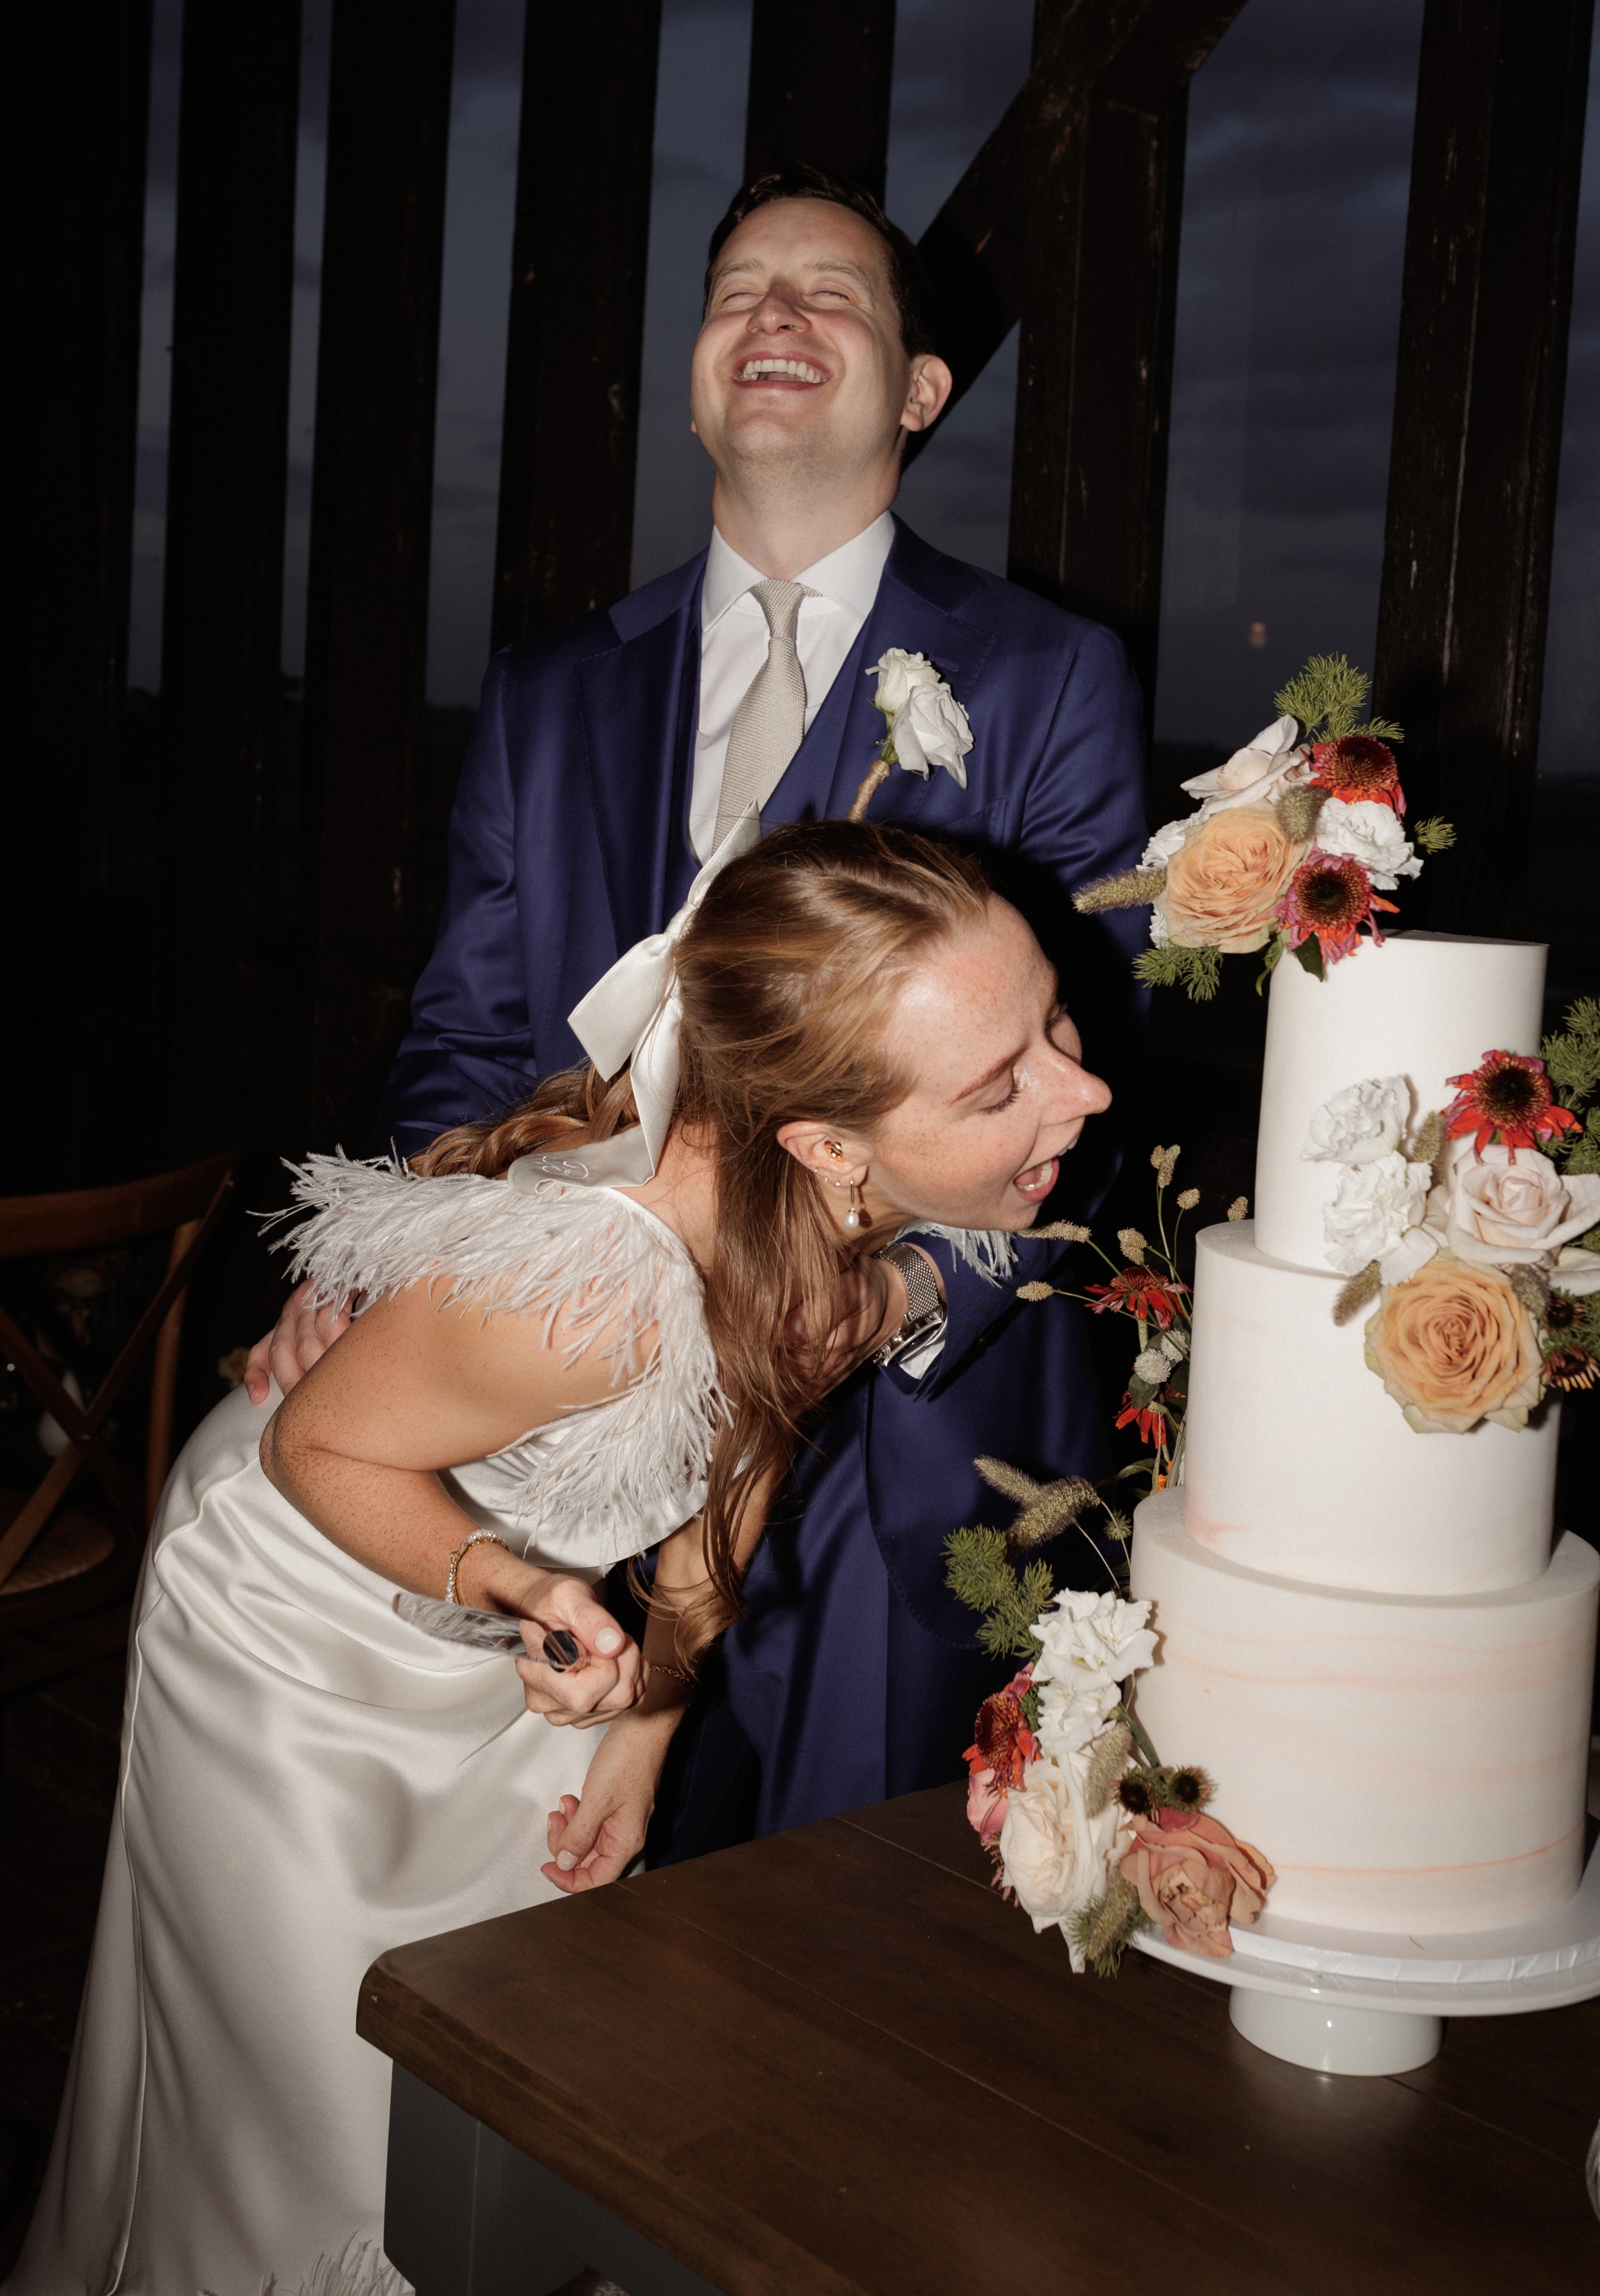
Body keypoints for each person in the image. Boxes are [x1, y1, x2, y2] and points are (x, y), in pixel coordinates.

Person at [7, 821, 1111, 2296]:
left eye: (1054, 1022)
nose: (1085, 1090)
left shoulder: (824, 1222)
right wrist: (519, 1586)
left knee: (488, 2068)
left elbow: (744, 1451)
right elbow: (314, 1454)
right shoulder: (601, 1292)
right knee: (334, 2101)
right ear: (826, 1142)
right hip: (296, 1619)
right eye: (1004, 1083)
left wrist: (648, 1722)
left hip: (516, 1641)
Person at [248, 164, 1149, 1857]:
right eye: (740, 290)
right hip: (555, 1422)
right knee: (532, 1903)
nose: (776, 317)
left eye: (831, 294)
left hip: (903, 1445)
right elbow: (465, 1033)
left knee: (832, 1966)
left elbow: (1088, 1076)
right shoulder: (549, 691)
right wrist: (375, 1270)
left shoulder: (1048, 674)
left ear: (923, 389)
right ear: (694, 372)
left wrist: (882, 1293)